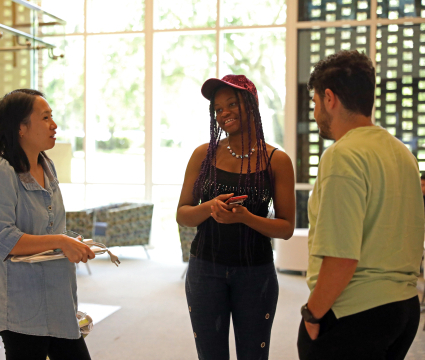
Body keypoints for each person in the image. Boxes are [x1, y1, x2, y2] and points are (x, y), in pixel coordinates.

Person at [297, 51, 424, 360]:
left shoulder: (343, 155)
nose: (314, 113)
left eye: (314, 103)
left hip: (354, 312)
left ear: (329, 98)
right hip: (404, 308)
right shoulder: (402, 153)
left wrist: (312, 314)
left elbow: (342, 257)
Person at [177, 75, 295, 359]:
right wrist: (210, 207)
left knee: (254, 354)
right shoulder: (202, 155)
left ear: (252, 105)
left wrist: (244, 218)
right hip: (205, 270)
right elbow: (183, 214)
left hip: (256, 273)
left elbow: (286, 228)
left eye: (232, 104)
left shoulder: (276, 160)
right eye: (218, 109)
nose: (224, 113)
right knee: (210, 354)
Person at [0, 89, 95, 360]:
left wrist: (71, 242)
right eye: (45, 118)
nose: (54, 125)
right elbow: (4, 239)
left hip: (59, 297)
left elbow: (50, 228)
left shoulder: (47, 166)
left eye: (52, 117)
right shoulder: (1, 170)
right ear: (21, 128)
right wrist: (60, 241)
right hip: (24, 307)